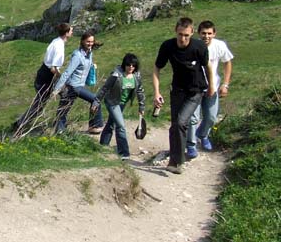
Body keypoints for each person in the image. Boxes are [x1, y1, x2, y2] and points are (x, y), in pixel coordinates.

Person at [153, 17, 214, 174]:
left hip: (196, 90)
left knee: (181, 122)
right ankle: (174, 160)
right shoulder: (168, 46)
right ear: (176, 31)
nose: (183, 38)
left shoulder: (199, 47)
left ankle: (179, 161)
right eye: (180, 34)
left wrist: (212, 86)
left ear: (192, 32)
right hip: (178, 89)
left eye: (186, 35)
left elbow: (208, 67)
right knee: (175, 125)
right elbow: (156, 68)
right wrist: (157, 92)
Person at [14, 23, 74, 135]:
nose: (72, 32)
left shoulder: (55, 41)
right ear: (66, 33)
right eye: (71, 31)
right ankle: (20, 124)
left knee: (64, 95)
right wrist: (61, 79)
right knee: (41, 105)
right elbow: (53, 68)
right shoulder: (59, 46)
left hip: (43, 74)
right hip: (47, 77)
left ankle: (59, 121)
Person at [186, 20, 234, 157]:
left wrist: (225, 84)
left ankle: (202, 134)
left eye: (209, 33)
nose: (206, 36)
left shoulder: (219, 46)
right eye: (203, 33)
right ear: (198, 33)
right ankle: (191, 145)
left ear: (214, 34)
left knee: (211, 117)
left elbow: (227, 62)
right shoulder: (192, 46)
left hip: (213, 87)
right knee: (193, 118)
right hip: (194, 88)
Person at [92, 53, 145, 160]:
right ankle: (124, 153)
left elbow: (140, 91)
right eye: (128, 65)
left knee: (111, 123)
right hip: (112, 102)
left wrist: (141, 106)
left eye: (133, 65)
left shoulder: (136, 76)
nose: (131, 67)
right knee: (121, 126)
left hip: (122, 103)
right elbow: (105, 88)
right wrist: (96, 102)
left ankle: (103, 145)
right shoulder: (116, 75)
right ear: (124, 64)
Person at [51, 31, 104, 134]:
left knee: (63, 109)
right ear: (82, 41)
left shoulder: (89, 53)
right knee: (95, 100)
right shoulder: (78, 55)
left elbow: (85, 65)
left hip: (77, 86)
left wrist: (92, 66)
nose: (90, 44)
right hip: (74, 86)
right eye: (88, 41)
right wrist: (56, 89)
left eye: (92, 41)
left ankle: (59, 131)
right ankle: (94, 126)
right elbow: (67, 72)